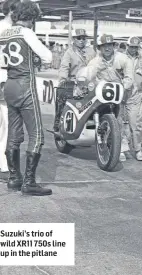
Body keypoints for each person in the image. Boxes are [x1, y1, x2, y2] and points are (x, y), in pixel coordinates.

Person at [0, 0, 53, 195]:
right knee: (37, 134)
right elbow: (48, 57)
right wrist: (35, 56)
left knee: (13, 134)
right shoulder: (27, 33)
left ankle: (14, 178)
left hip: (9, 83)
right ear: (30, 17)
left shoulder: (4, 33)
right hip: (25, 84)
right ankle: (29, 182)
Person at [54, 28, 95, 132]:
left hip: (89, 83)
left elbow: (97, 64)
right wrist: (63, 79)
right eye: (79, 38)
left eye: (83, 38)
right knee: (62, 95)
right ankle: (59, 122)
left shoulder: (91, 51)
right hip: (74, 82)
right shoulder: (69, 52)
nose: (81, 40)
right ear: (74, 39)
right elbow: (64, 67)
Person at [120, 36, 142, 162]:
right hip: (122, 93)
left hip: (136, 94)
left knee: (136, 123)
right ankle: (122, 149)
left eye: (136, 47)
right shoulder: (121, 58)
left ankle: (138, 149)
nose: (133, 49)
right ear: (127, 46)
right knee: (121, 123)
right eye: (131, 47)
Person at [0, 0, 20, 175]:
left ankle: (3, 160)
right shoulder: (10, 30)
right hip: (4, 77)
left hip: (6, 77)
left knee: (5, 122)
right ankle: (4, 162)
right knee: (7, 121)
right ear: (12, 10)